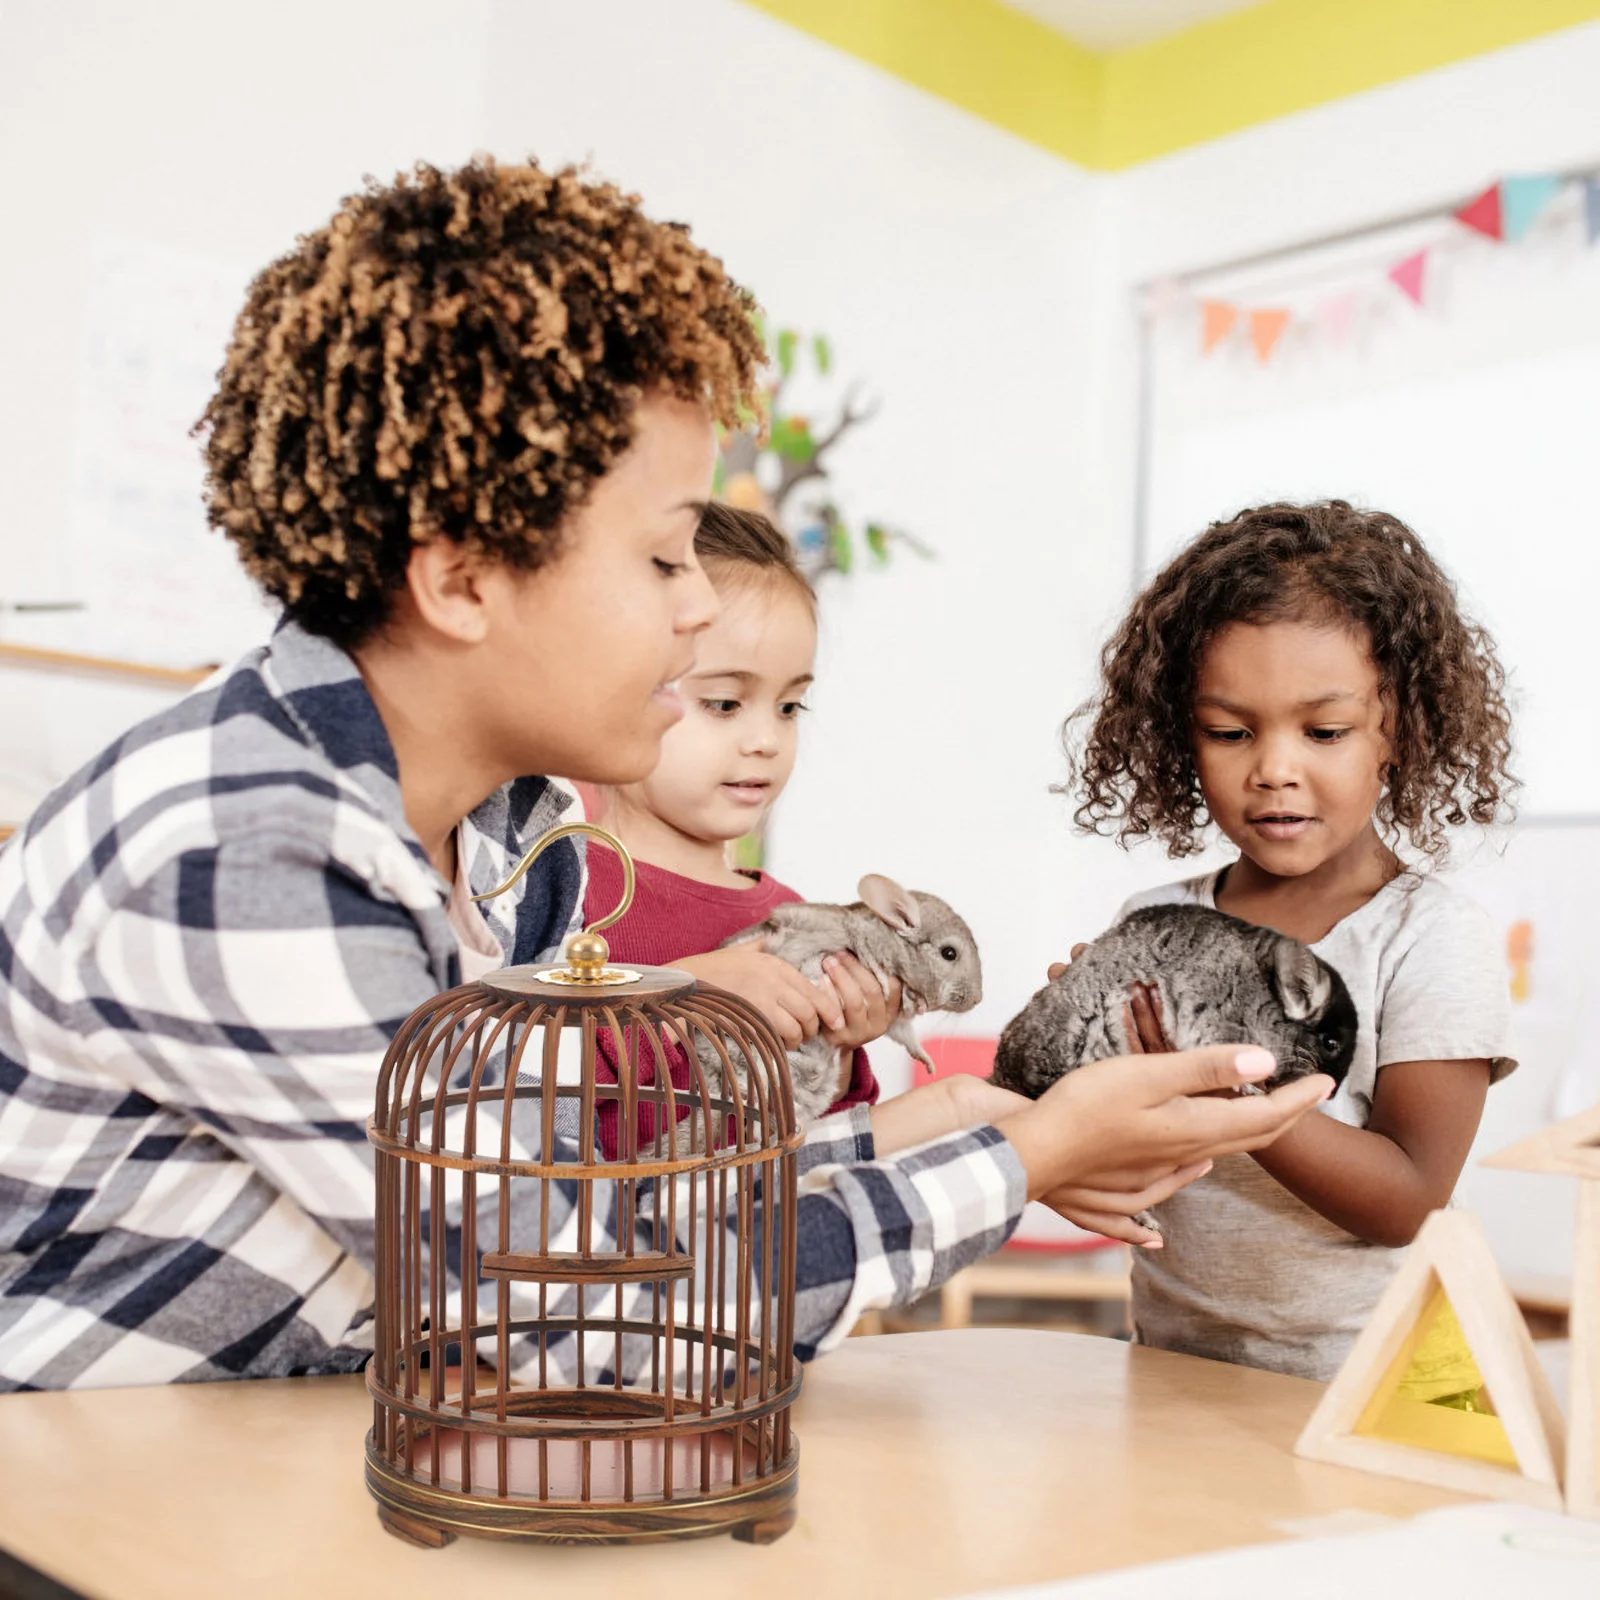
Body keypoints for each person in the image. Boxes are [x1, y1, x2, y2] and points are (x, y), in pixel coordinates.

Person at [0, 159, 1328, 1391]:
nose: (698, 612)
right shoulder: (251, 855)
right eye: (663, 558)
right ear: (462, 577)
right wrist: (1027, 1154)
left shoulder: (506, 844)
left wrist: (957, 1125)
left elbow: (583, 1211)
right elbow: (574, 1300)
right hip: (80, 1507)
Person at [1062, 499, 1517, 1380]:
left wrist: (1229, 1089)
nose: (1273, 768)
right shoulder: (1156, 925)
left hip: (1375, 1392)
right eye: (1230, 732)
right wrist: (1087, 1055)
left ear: (1401, 732)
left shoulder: (1430, 938)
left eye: (1324, 732)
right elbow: (1113, 1146)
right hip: (1179, 1369)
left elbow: (1408, 1201)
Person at [580, 501, 884, 1161]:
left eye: (788, 706)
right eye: (724, 704)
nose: (766, 741)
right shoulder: (566, 891)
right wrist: (683, 996)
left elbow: (828, 1139)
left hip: (751, 1251)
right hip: (609, 1249)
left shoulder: (789, 918)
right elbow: (522, 1083)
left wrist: (845, 1040)